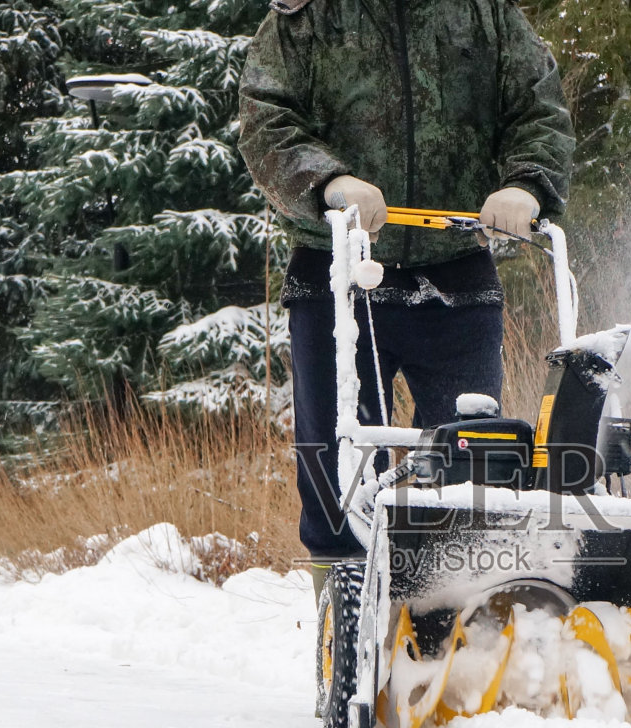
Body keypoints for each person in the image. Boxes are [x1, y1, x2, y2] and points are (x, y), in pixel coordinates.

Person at [237, 0, 574, 587]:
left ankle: (456, 621)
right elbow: (266, 119)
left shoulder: (485, 13)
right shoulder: (307, 17)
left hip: (457, 272)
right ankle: (344, 634)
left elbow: (537, 106)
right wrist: (329, 180)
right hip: (335, 269)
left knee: (474, 470)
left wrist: (526, 184)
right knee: (336, 475)